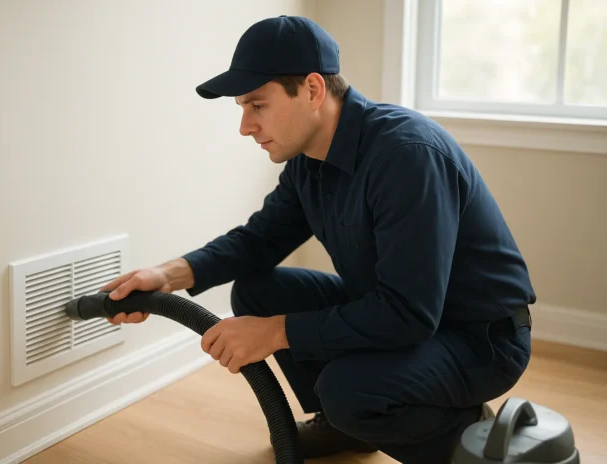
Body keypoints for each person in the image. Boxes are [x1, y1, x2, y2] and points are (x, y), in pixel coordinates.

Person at [100, 15, 535, 464]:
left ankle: (470, 437)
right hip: (402, 313)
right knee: (258, 290)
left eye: (258, 105)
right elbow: (258, 241)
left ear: (312, 89)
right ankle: (352, 426)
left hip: (477, 339)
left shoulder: (407, 156)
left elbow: (411, 312)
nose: (245, 126)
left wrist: (274, 332)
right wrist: (165, 276)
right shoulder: (308, 161)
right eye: (242, 109)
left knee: (346, 390)